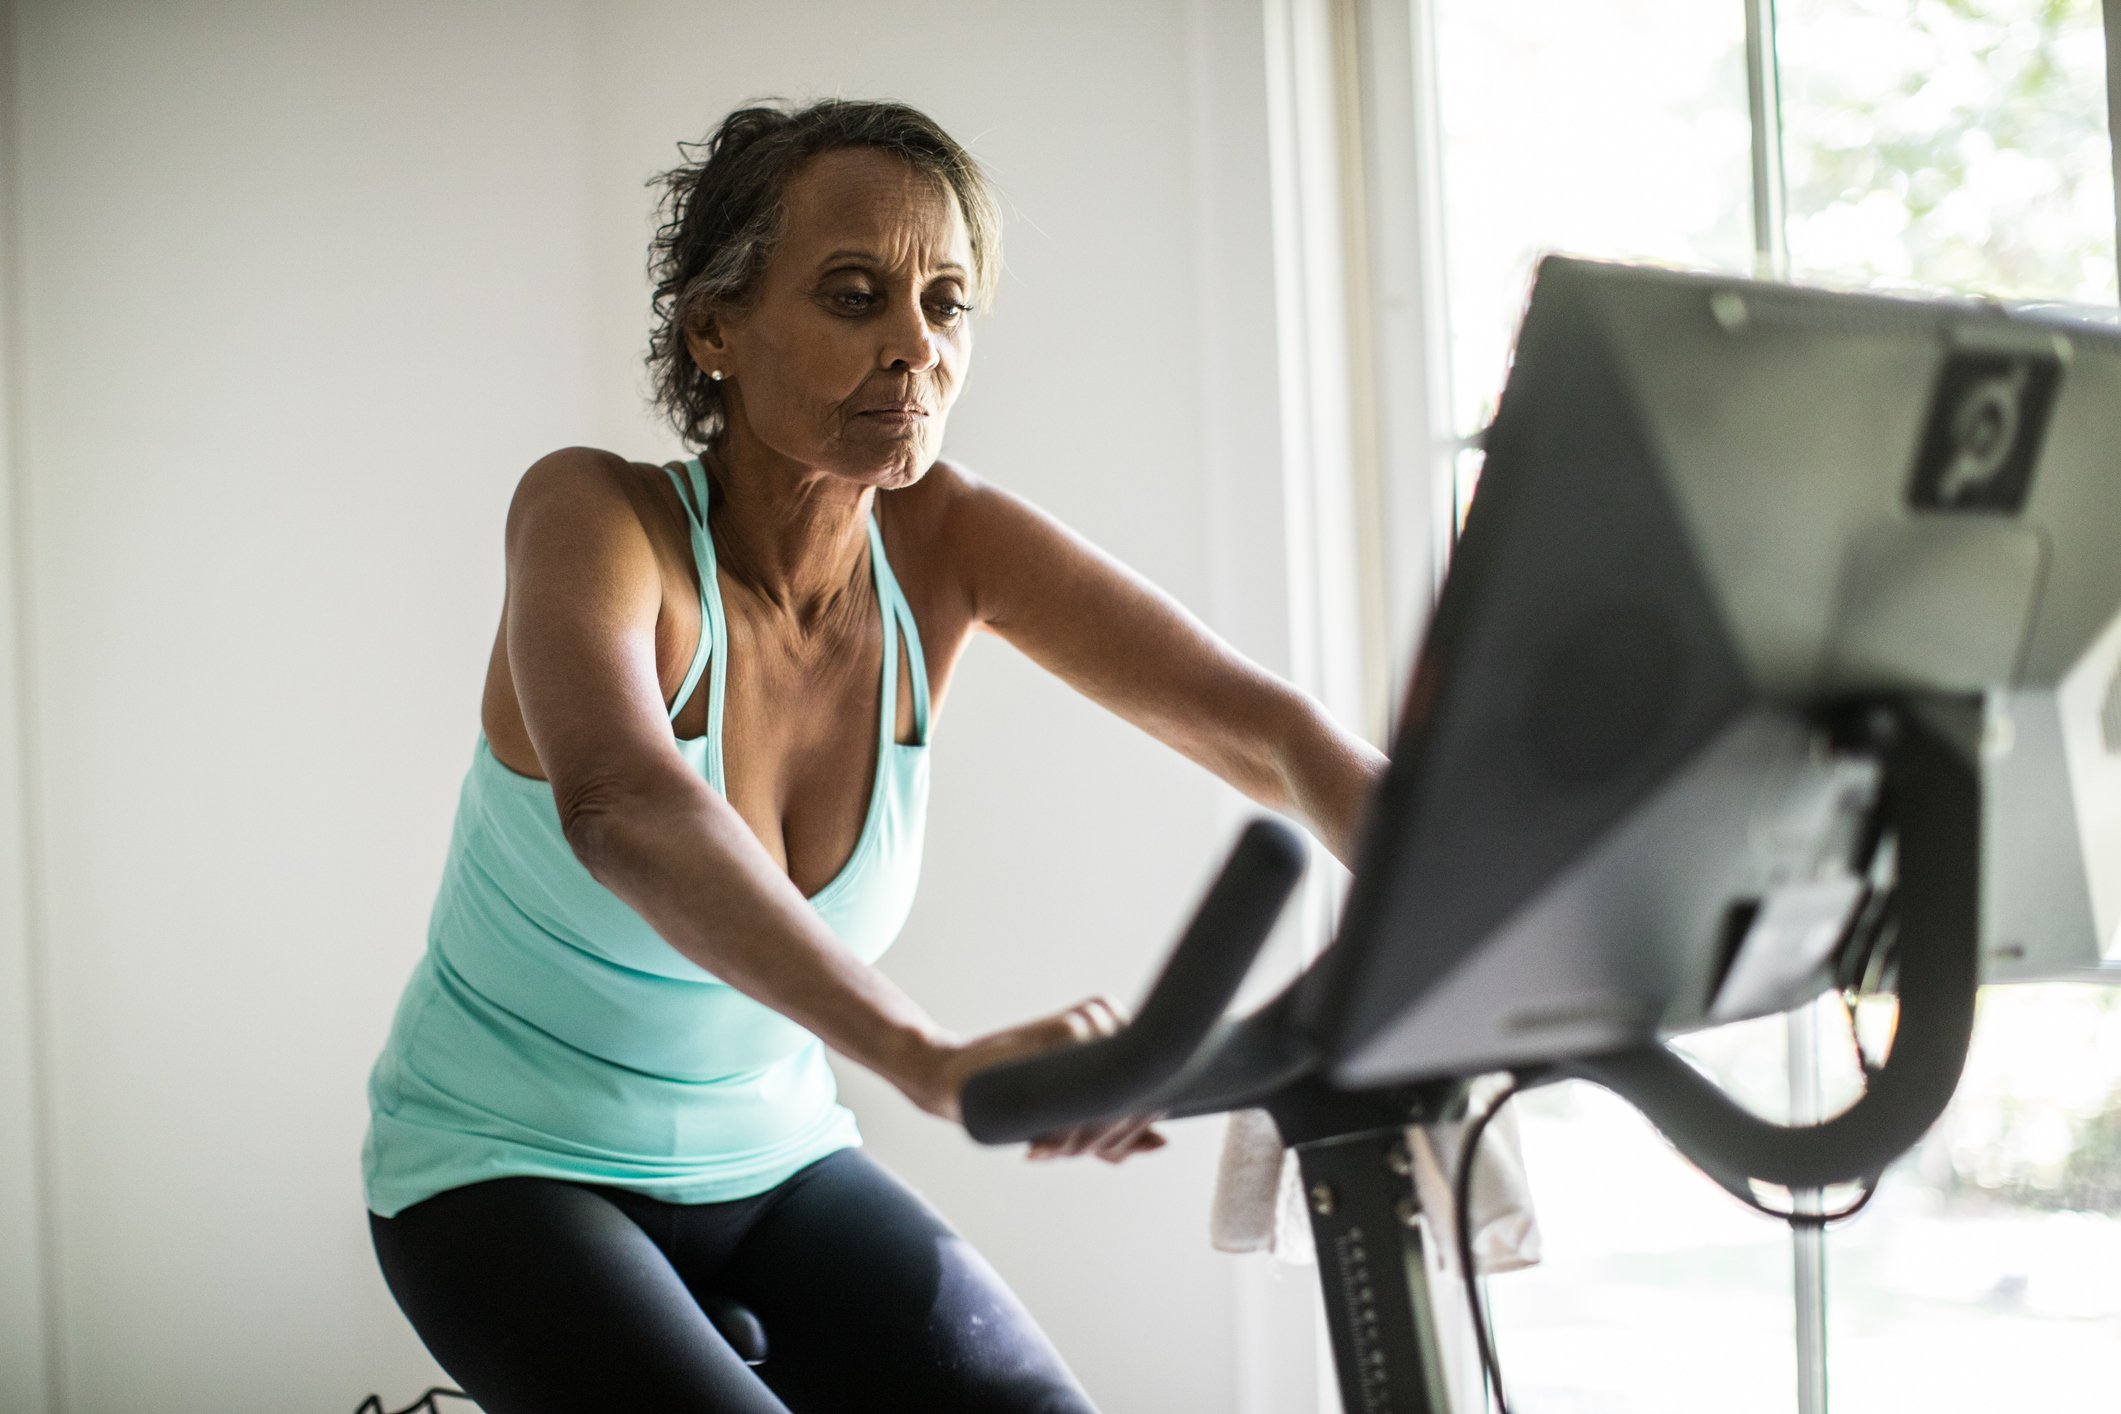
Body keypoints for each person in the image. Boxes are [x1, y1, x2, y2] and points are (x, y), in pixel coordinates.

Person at [361, 97, 1385, 1414]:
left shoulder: (943, 543)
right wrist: (927, 1055)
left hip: (781, 1162)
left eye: (946, 303)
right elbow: (620, 803)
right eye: (854, 295)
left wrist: (1484, 915)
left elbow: (1269, 732)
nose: (914, 344)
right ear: (714, 328)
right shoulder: (596, 515)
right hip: (499, 1172)